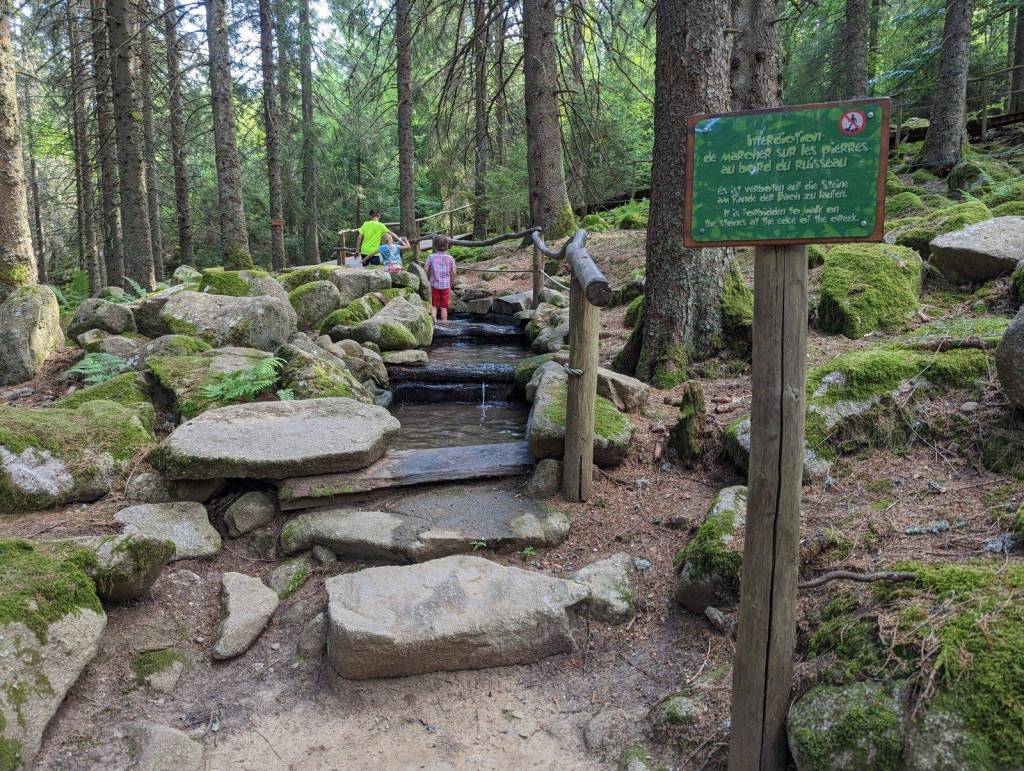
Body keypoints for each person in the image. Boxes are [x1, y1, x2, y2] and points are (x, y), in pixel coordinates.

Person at [424, 235, 457, 322]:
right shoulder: (450, 258)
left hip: (434, 284)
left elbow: (426, 268)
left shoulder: (431, 257)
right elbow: (453, 271)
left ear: (434, 246)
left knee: (434, 305)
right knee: (444, 307)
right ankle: (444, 324)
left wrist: (427, 279)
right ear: (447, 246)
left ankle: (433, 323)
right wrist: (451, 281)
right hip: (446, 285)